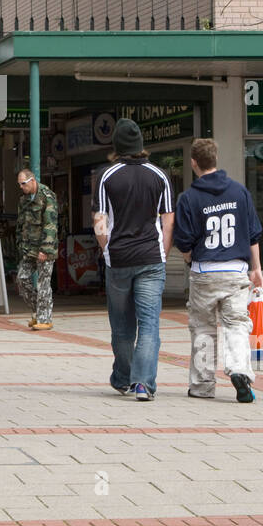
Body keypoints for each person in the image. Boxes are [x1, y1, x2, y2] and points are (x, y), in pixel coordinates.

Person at [172, 137, 263, 404]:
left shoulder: (188, 198)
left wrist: (190, 260)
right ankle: (239, 370)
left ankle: (202, 385)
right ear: (216, 159)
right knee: (236, 324)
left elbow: (184, 240)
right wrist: (255, 268)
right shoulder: (239, 192)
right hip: (236, 270)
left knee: (203, 327)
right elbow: (253, 234)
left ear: (193, 163)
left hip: (204, 271)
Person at [93, 119, 174, 402]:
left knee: (122, 325)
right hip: (152, 258)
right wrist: (163, 251)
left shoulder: (107, 176)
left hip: (119, 259)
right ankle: (143, 384)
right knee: (149, 323)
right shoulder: (159, 176)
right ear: (141, 146)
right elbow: (168, 219)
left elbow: (99, 221)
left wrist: (107, 250)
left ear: (117, 146)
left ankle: (124, 378)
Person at [16, 168, 59, 330]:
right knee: (22, 279)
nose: (21, 187)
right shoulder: (24, 200)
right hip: (29, 249)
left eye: (23, 184)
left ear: (32, 181)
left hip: (44, 249)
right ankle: (37, 310)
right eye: (19, 184)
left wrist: (45, 250)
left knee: (43, 284)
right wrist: (20, 243)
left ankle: (44, 319)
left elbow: (50, 225)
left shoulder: (47, 197)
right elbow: (21, 224)